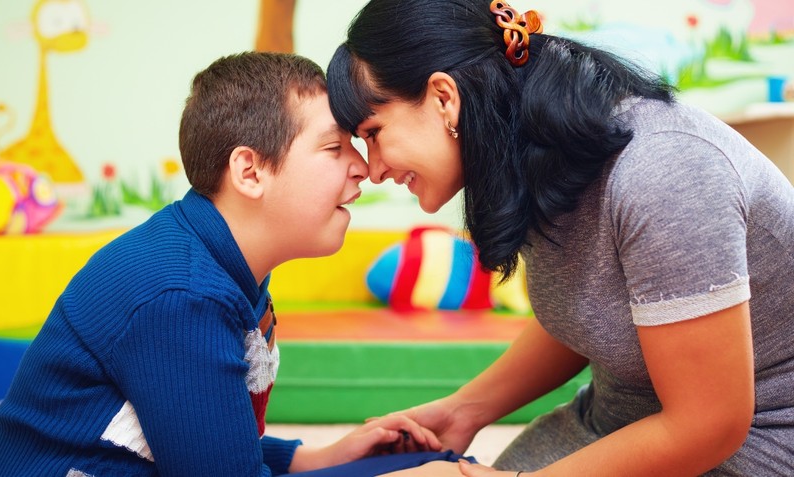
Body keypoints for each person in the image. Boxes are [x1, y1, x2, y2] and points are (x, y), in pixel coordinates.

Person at [325, 0, 794, 475]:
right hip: (619, 420)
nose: (372, 168)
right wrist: (465, 410)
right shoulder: (534, 151)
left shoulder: (663, 169)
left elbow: (710, 424)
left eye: (374, 132)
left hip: (755, 444)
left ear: (445, 97)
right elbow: (594, 306)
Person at [0, 51, 462, 476]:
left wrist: (324, 456)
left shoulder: (221, 265)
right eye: (334, 148)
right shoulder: (182, 295)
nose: (363, 167)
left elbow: (203, 438)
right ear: (250, 171)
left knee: (427, 463)